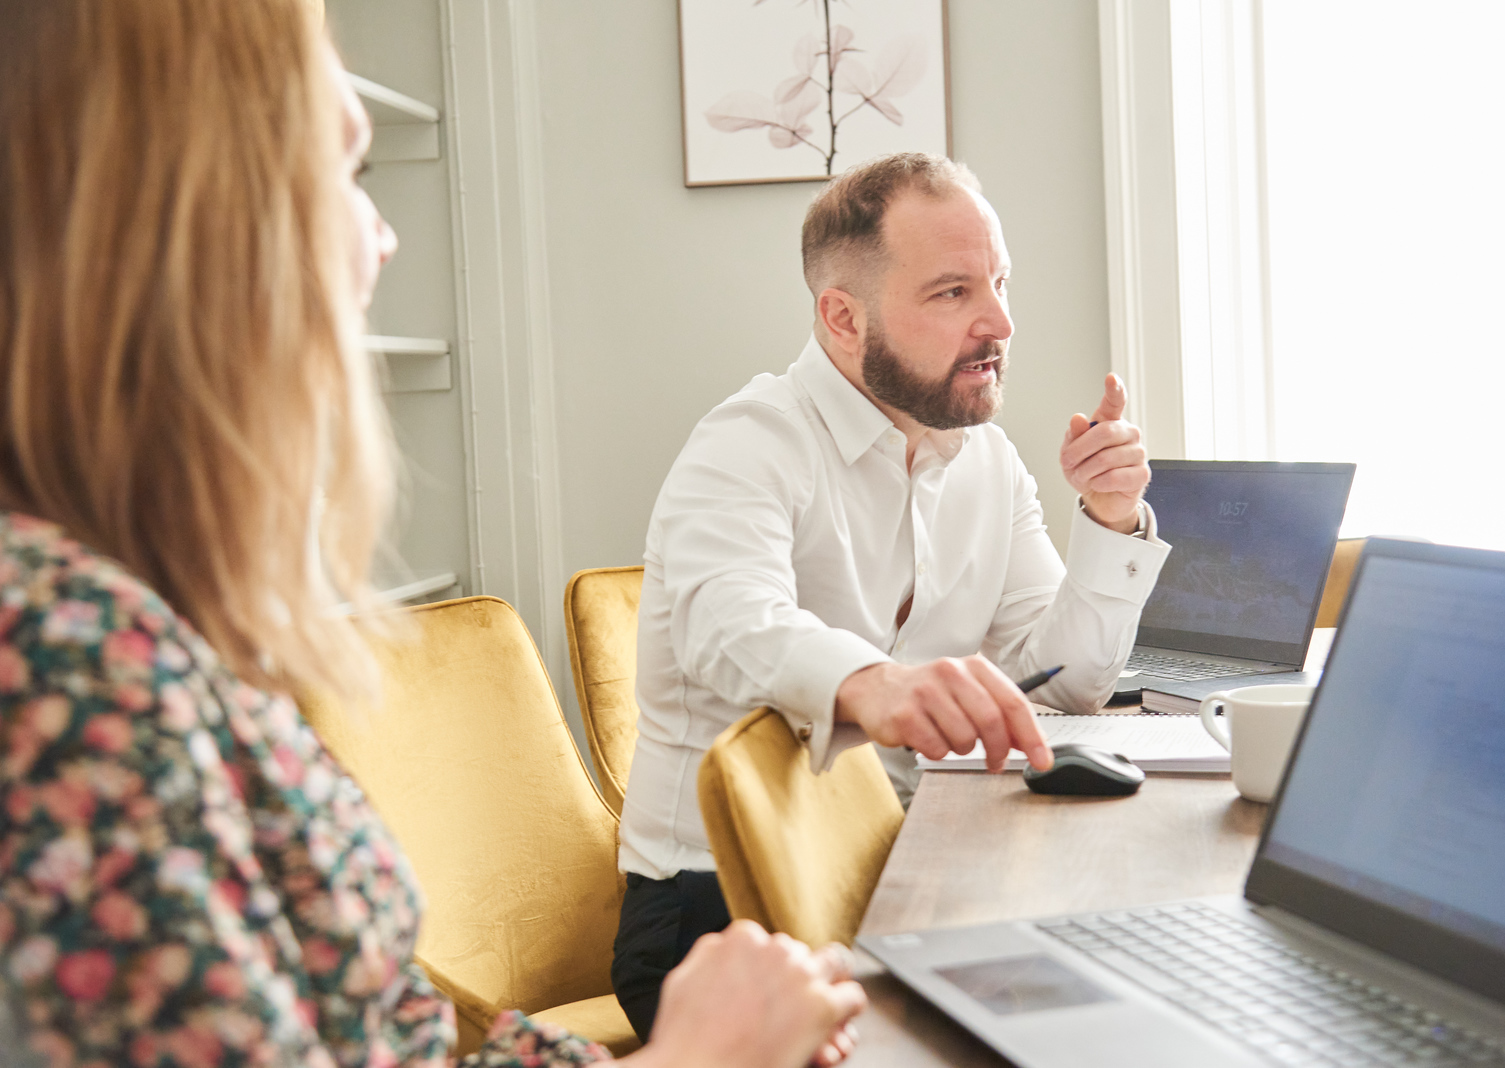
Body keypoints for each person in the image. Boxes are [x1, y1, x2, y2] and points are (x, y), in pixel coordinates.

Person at [0, 2, 863, 1066]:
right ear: (194, 228)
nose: (383, 237)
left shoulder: (146, 633)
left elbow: (398, 1041)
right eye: (346, 176)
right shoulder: (63, 660)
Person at [612, 153, 1173, 1038]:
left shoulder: (987, 460)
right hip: (719, 913)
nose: (1000, 321)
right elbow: (727, 625)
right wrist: (879, 684)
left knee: (1125, 993)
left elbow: (1064, 683)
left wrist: (1110, 520)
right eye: (953, 293)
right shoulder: (746, 444)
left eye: (1000, 282)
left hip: (902, 858)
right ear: (843, 317)